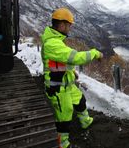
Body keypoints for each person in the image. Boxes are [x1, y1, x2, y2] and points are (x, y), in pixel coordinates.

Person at [41, 8, 103, 148]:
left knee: (80, 100)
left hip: (66, 84)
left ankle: (86, 121)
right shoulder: (52, 44)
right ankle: (63, 144)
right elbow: (74, 57)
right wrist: (94, 53)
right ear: (62, 25)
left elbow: (60, 62)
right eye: (69, 25)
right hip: (57, 88)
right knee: (64, 115)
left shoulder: (57, 40)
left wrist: (71, 72)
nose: (69, 29)